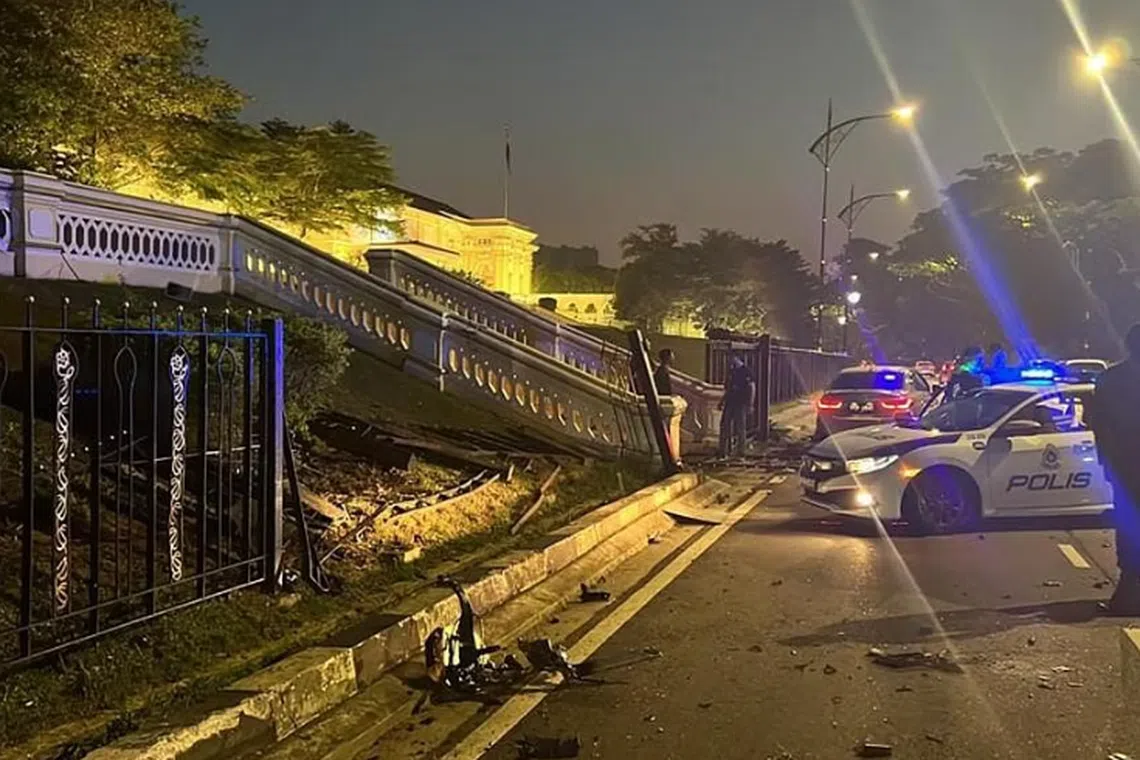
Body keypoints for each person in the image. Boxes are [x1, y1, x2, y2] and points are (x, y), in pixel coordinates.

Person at [1087, 324, 1140, 615]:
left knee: (1129, 524)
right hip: (1127, 465)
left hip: (1124, 467)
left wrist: (1105, 462)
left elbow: (1098, 425)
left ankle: (1129, 591)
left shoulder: (1109, 379)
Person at [718, 354, 754, 457]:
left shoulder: (746, 371)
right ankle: (723, 451)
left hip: (740, 403)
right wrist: (722, 401)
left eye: (732, 358)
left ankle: (741, 451)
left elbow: (752, 388)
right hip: (730, 402)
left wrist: (750, 404)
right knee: (725, 426)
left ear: (737, 358)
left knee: (740, 428)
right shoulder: (732, 371)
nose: (730, 360)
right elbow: (728, 389)